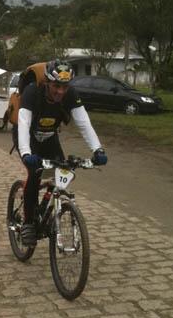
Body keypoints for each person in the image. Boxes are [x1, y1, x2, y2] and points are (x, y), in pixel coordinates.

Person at [18, 59, 108, 247]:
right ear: (47, 82)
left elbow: (84, 123)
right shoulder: (32, 92)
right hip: (28, 137)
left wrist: (97, 149)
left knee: (61, 170)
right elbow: (24, 123)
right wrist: (26, 154)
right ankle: (28, 223)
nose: (60, 91)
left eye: (64, 87)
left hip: (50, 137)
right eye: (56, 86)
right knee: (34, 175)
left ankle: (49, 206)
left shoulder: (70, 95)